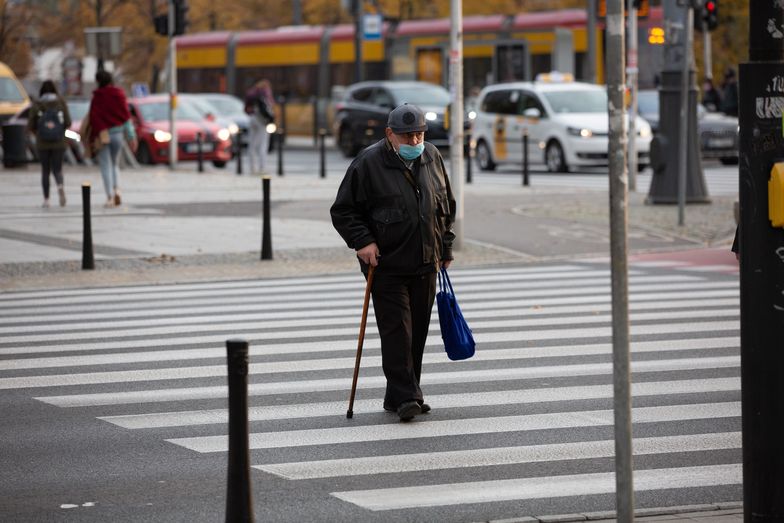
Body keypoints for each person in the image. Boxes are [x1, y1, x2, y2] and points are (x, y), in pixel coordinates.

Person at [331, 103, 456, 422]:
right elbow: (344, 210)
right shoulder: (369, 162)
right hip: (385, 264)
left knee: (417, 332)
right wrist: (363, 241)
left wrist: (445, 247)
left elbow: (446, 206)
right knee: (397, 330)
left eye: (419, 135)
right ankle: (408, 397)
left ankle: (397, 393)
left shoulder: (432, 157)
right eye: (408, 136)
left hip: (426, 260)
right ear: (390, 134)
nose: (415, 142)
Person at [88, 70, 137, 208]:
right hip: (118, 135)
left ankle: (109, 196)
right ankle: (117, 191)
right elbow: (126, 117)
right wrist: (132, 137)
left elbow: (93, 117)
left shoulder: (97, 97)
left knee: (105, 165)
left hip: (103, 135)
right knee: (115, 164)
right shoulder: (119, 94)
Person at [28, 80, 71, 208]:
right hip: (59, 142)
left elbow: (31, 124)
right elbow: (68, 122)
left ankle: (46, 200)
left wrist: (38, 133)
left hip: (42, 142)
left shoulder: (37, 104)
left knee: (45, 171)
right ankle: (60, 186)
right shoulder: (61, 102)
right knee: (58, 169)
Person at [244, 79, 275, 174]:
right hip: (262, 121)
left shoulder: (251, 93)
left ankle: (252, 168)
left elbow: (246, 108)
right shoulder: (265, 92)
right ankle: (262, 168)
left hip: (252, 119)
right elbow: (270, 106)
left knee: (252, 145)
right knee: (263, 144)